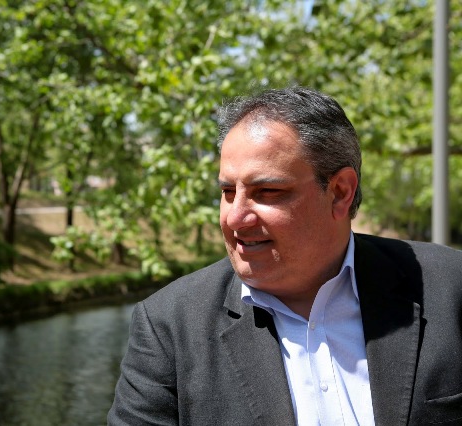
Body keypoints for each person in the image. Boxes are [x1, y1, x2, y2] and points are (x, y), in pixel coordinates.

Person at [108, 86, 462, 425]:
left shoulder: (450, 287)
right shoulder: (168, 326)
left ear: (340, 192)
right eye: (228, 191)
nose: (235, 217)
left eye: (267, 191)